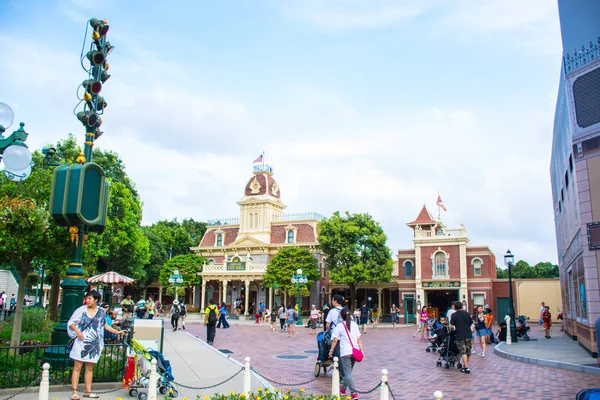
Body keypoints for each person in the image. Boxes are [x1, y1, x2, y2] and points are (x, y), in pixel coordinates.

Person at [68, 290, 122, 399]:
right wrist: (78, 332)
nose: (87, 300)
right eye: (87, 298)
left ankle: (88, 391)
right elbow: (71, 323)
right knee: (77, 367)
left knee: (89, 368)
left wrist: (116, 331)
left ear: (96, 300)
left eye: (90, 298)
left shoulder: (101, 311)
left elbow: (104, 325)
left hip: (94, 343)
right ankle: (74, 392)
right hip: (81, 342)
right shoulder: (81, 310)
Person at [329, 307, 363, 400]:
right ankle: (343, 389)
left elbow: (335, 340)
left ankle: (353, 393)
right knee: (349, 373)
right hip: (355, 351)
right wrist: (361, 350)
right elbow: (359, 339)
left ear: (341, 316)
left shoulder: (340, 326)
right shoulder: (355, 325)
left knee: (347, 373)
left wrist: (331, 350)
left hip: (345, 352)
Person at [450, 301, 474, 374]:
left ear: (454, 307)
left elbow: (451, 326)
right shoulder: (466, 313)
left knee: (463, 351)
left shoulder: (454, 315)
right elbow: (471, 323)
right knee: (468, 351)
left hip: (460, 334)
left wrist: (452, 330)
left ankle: (466, 367)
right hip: (468, 334)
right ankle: (465, 365)